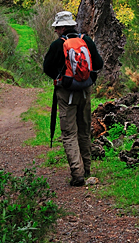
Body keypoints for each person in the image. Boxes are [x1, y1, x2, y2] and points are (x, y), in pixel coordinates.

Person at [43, 11, 103, 186]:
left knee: (69, 133)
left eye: (56, 28)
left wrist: (62, 79)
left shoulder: (57, 45)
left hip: (66, 93)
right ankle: (87, 169)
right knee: (84, 130)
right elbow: (98, 64)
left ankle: (77, 174)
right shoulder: (87, 40)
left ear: (62, 27)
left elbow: (47, 68)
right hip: (86, 90)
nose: (56, 31)